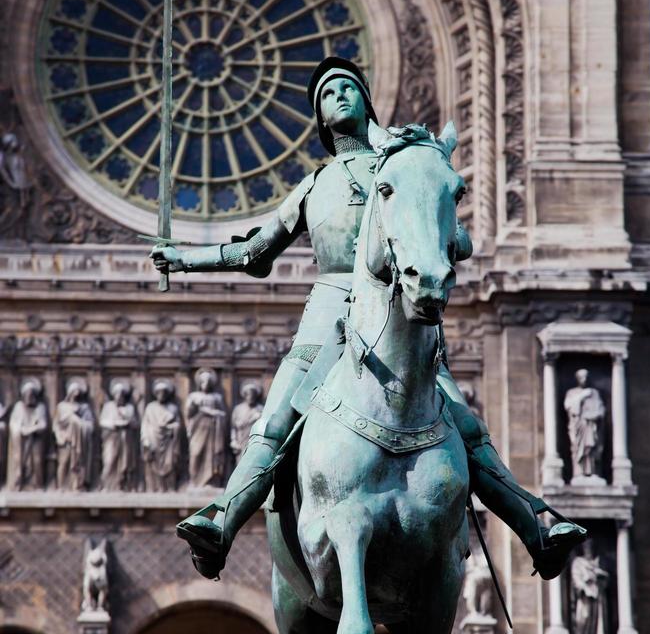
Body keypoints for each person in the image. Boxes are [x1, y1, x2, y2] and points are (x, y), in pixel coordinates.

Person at [152, 56, 585, 581]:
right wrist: (184, 258)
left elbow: (457, 239)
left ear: (366, 103)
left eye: (348, 87)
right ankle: (222, 520)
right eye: (327, 92)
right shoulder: (314, 186)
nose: (338, 95)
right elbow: (254, 252)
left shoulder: (401, 166)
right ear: (320, 118)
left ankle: (536, 526)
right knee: (272, 424)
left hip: (397, 316)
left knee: (466, 427)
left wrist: (433, 212)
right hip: (327, 319)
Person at [53, 377, 95, 490]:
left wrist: (79, 423)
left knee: (79, 463)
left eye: (78, 393)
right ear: (69, 393)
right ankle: (61, 486)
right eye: (74, 392)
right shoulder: (62, 407)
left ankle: (78, 485)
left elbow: (91, 425)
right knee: (64, 462)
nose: (76, 395)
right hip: (66, 440)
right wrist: (60, 437)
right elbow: (56, 424)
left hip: (80, 442)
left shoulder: (84, 408)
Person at [141, 379, 182, 491]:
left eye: (164, 392)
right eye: (159, 392)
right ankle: (154, 488)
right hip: (153, 441)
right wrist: (145, 439)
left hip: (169, 442)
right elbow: (145, 425)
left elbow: (177, 424)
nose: (161, 395)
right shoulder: (150, 407)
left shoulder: (173, 408)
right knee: (151, 463)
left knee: (170, 463)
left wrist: (171, 428)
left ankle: (170, 488)